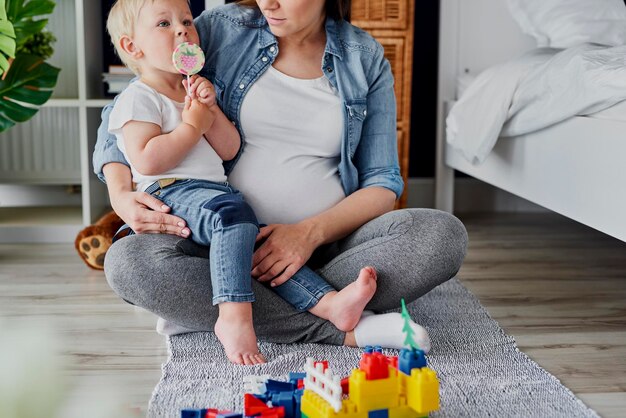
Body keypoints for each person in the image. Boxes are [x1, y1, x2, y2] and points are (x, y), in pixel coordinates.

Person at [94, 0, 468, 355]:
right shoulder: (222, 30)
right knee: (129, 263)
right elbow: (132, 101)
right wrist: (120, 194)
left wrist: (308, 234)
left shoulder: (363, 58)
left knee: (440, 236)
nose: (267, 4)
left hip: (331, 251)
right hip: (213, 242)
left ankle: (222, 306)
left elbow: (383, 183)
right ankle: (335, 324)